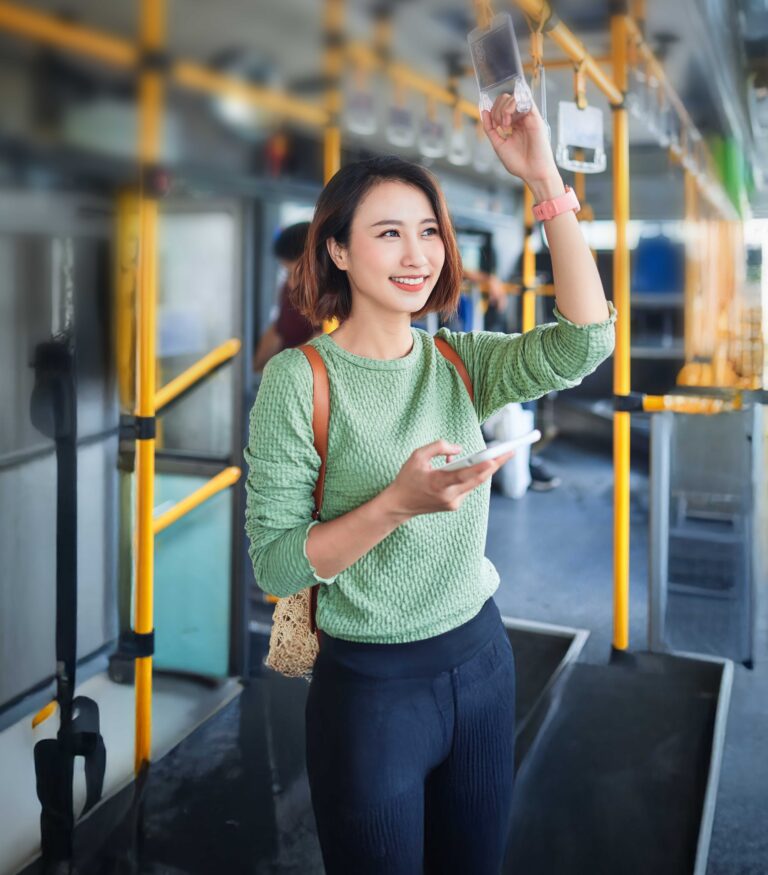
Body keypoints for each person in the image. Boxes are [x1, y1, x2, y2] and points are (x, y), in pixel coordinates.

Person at [245, 93, 616, 874]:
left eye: (428, 233)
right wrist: (393, 505)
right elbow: (277, 565)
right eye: (389, 234)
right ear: (338, 251)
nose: (418, 255)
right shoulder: (299, 379)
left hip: (483, 658)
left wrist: (541, 172)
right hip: (370, 694)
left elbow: (587, 340)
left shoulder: (460, 361)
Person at [252, 222, 323, 372]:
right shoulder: (289, 290)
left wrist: (282, 370)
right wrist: (253, 370)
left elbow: (324, 342)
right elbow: (278, 331)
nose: (292, 283)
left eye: (299, 275)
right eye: (287, 273)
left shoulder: (341, 300)